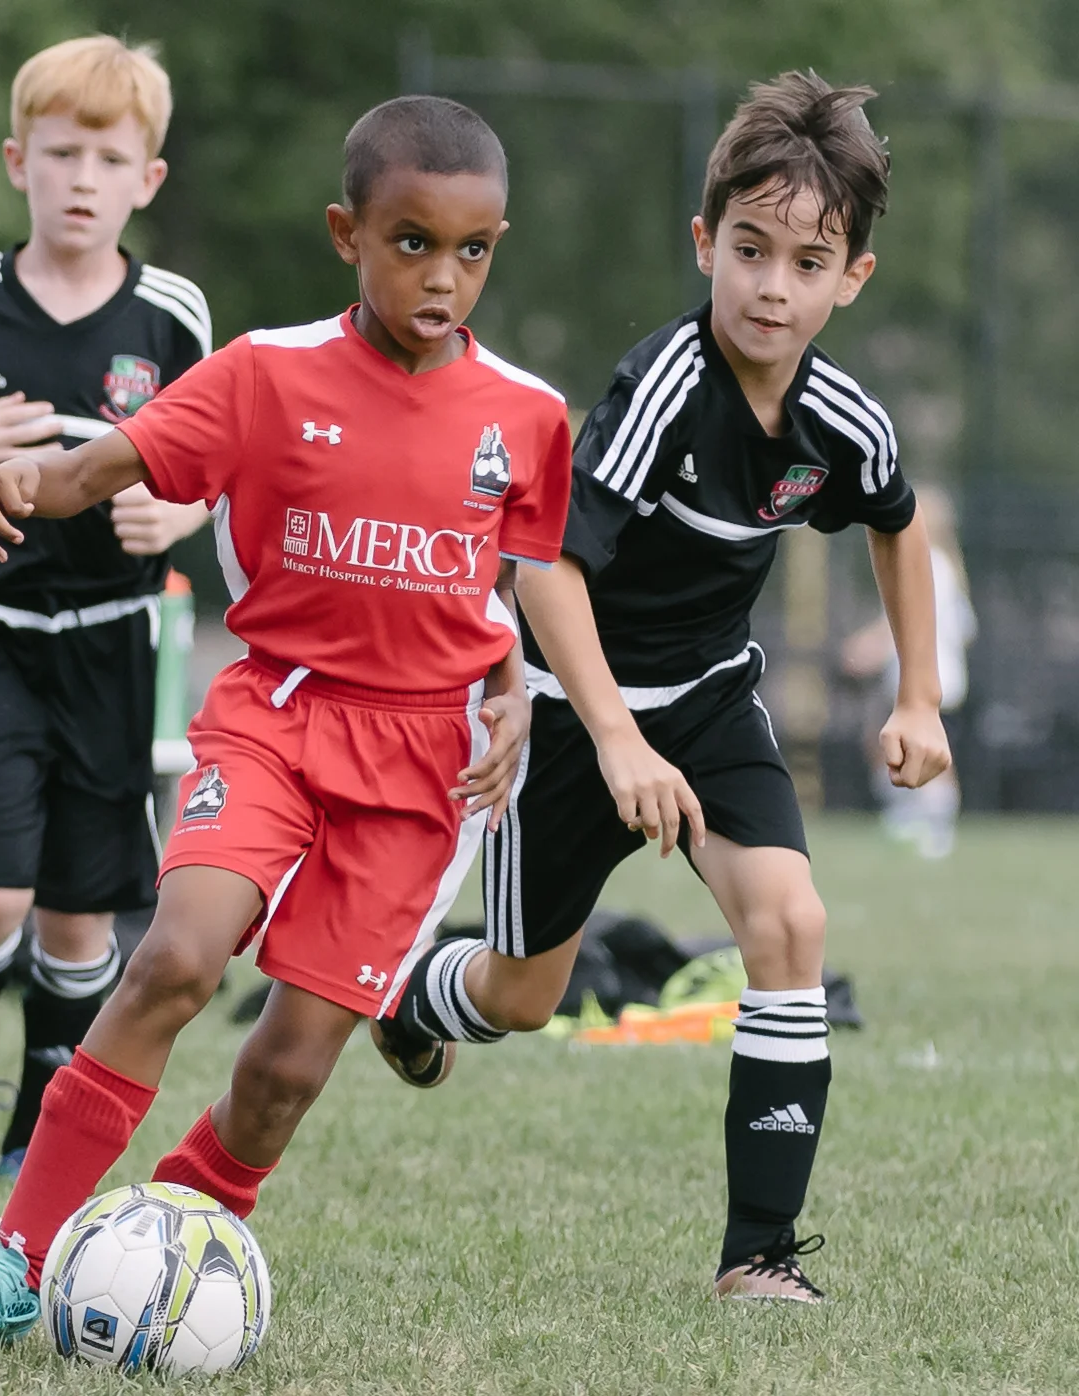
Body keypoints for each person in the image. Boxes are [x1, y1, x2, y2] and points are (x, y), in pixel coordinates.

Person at [0, 94, 572, 1347]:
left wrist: (514, 690)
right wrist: (14, 481)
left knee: (285, 1072)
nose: (443, 276)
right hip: (278, 716)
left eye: (472, 250)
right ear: (345, 234)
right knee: (176, 959)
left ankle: (158, 1262)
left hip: (426, 768)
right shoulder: (265, 373)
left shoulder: (527, 415)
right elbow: (102, 466)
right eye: (410, 241)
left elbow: (529, 578)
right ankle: (15, 1258)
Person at [373, 72, 952, 1303]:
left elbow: (898, 525)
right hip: (574, 716)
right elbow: (543, 569)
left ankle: (760, 1258)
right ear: (706, 245)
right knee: (524, 996)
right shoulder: (660, 392)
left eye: (808, 261)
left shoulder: (842, 418)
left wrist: (920, 698)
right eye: (749, 251)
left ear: (852, 277)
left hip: (709, 700)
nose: (772, 286)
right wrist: (615, 737)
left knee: (790, 926)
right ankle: (414, 987)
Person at [0, 35, 212, 1187]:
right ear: (19, 160)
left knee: (79, 923)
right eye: (60, 152)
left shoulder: (172, 314)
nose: (82, 178)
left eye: (108, 158)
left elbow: (213, 471)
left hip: (115, 641)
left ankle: (39, 1120)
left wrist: (178, 522)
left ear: (147, 180)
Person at [843, 483, 975, 857]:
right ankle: (908, 813)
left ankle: (935, 826)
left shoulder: (932, 563)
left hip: (934, 679)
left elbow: (907, 618)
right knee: (881, 739)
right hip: (919, 675)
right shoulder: (945, 566)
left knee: (929, 750)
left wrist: (869, 648)